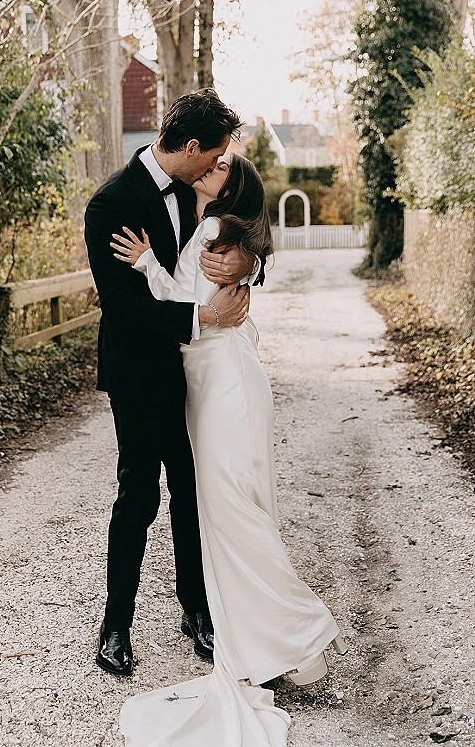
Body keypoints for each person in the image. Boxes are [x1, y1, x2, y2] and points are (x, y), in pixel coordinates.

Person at [111, 152, 347, 747]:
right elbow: (202, 303)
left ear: (227, 189)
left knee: (232, 511)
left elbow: (188, 305)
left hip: (225, 387)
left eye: (219, 168)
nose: (209, 169)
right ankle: (265, 640)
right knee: (233, 508)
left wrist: (144, 264)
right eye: (210, 161)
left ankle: (297, 624)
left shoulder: (215, 231)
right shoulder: (208, 230)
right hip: (216, 381)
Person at [84, 90, 259, 678]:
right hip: (140, 372)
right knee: (140, 494)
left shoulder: (199, 193)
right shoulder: (110, 204)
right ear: (190, 147)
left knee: (192, 493)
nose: (218, 168)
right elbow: (123, 308)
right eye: (213, 157)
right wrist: (204, 318)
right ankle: (115, 626)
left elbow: (231, 243)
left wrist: (246, 269)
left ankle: (197, 611)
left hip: (198, 373)